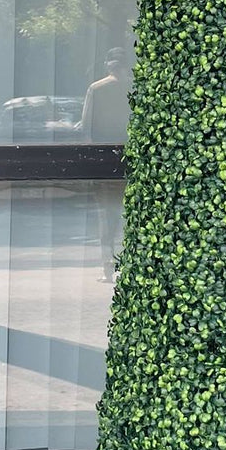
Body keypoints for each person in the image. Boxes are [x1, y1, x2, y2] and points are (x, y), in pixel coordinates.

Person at [80, 48, 130, 280]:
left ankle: (108, 268)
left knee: (106, 216)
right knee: (129, 214)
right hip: (130, 159)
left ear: (108, 65)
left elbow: (86, 127)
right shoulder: (134, 88)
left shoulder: (96, 89)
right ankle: (130, 266)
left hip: (103, 160)